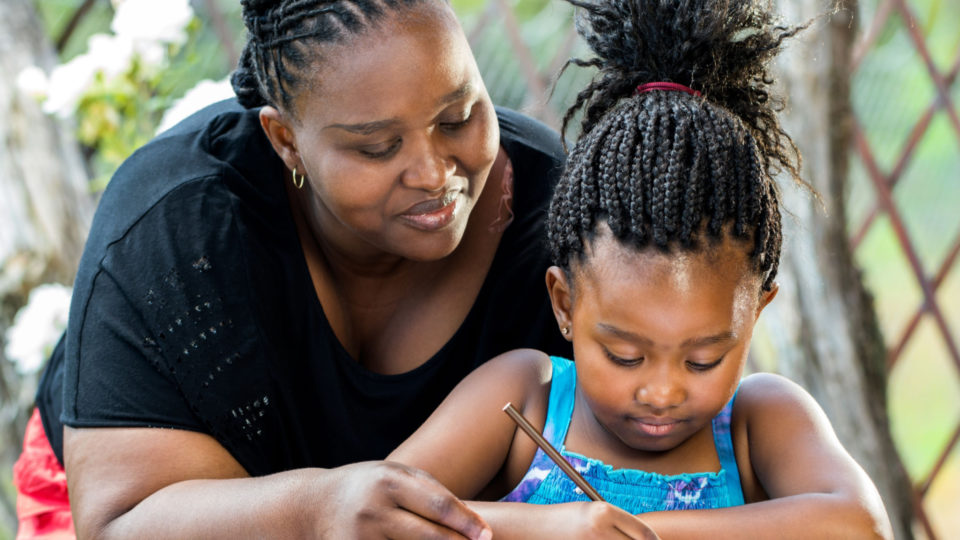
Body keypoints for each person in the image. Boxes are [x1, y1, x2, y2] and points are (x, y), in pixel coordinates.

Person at [14, 0, 575, 538]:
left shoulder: (554, 215)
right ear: (286, 141)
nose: (433, 173)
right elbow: (120, 522)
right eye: (379, 147)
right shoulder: (178, 225)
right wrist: (315, 513)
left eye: (457, 116)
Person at [386, 0, 895, 537]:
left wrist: (642, 532)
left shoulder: (757, 422)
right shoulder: (527, 399)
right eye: (625, 356)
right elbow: (377, 517)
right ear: (564, 303)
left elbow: (858, 526)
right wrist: (555, 530)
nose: (661, 392)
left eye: (703, 360)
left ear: (755, 315)